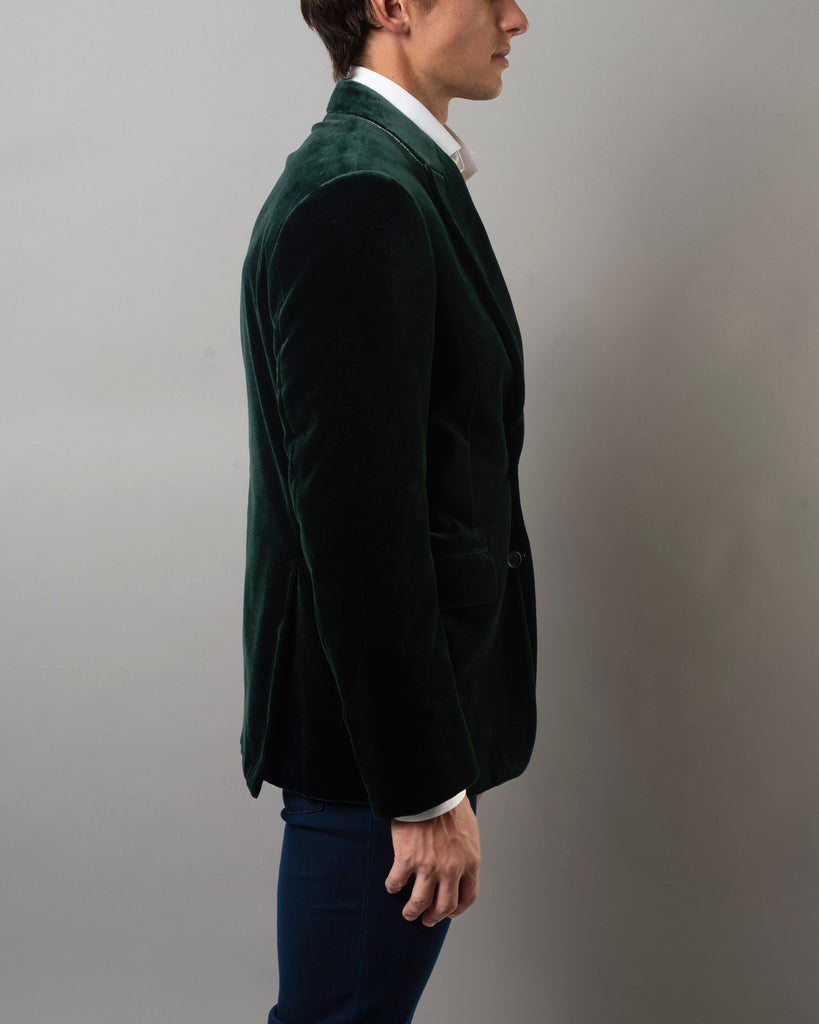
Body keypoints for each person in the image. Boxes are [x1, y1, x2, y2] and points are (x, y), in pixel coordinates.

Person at [239, 2, 536, 1021]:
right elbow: (357, 526)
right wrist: (420, 790)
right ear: (392, 6)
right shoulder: (361, 196)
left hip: (386, 736)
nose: (518, 18)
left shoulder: (391, 176)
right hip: (376, 755)